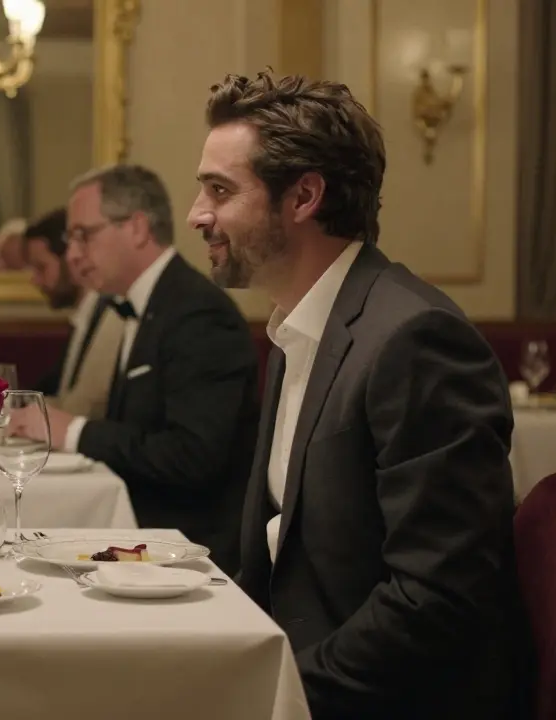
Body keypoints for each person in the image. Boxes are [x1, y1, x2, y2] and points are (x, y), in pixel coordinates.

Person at [188, 70, 522, 718]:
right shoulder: (300, 325)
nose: (198, 214)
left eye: (219, 190)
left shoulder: (414, 339)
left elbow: (435, 602)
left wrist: (273, 692)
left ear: (304, 196)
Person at [11, 164, 259, 574]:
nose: (72, 254)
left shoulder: (197, 313)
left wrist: (72, 431)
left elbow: (192, 456)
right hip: (144, 535)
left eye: (82, 235)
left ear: (137, 228)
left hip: (190, 551)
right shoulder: (141, 304)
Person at [24, 208, 122, 418]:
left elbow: (82, 409)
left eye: (41, 267)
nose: (34, 280)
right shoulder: (84, 316)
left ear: (71, 259)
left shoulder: (112, 315)